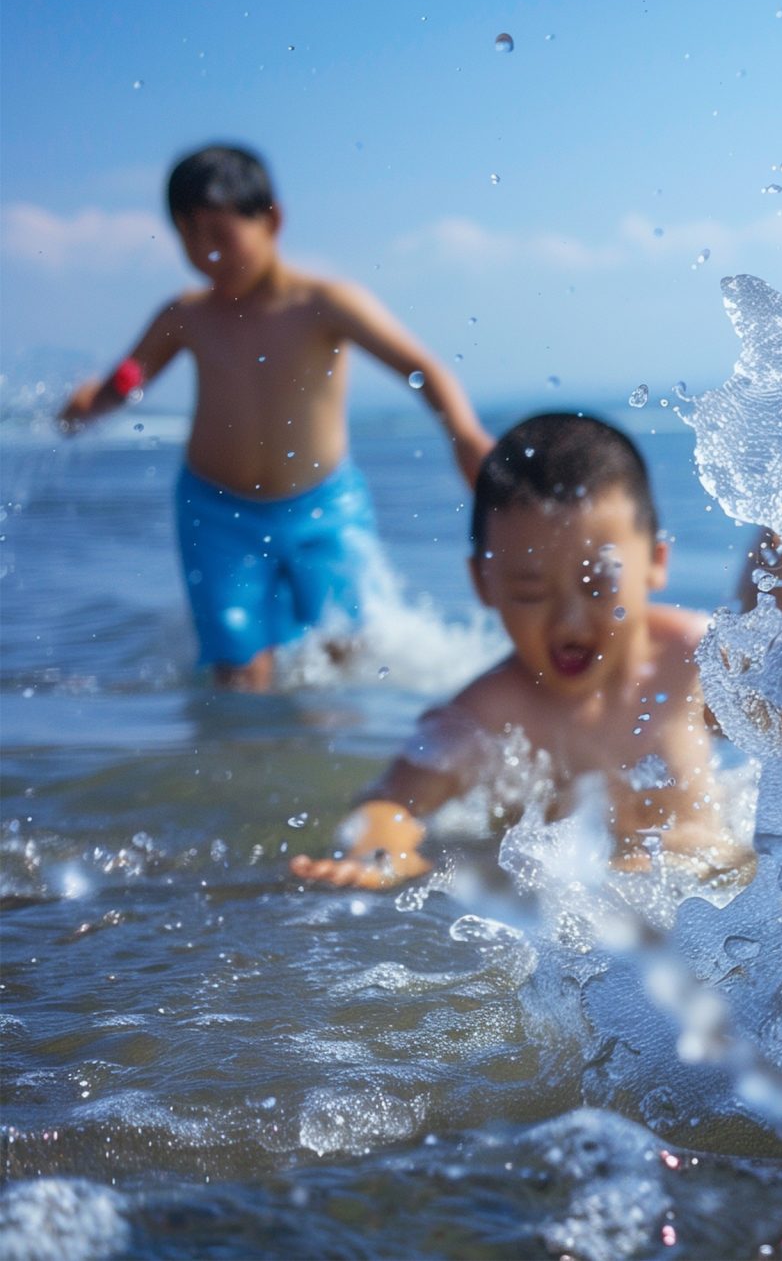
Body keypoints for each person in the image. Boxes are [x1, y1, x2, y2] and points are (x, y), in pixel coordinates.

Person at [55, 144, 493, 689]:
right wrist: (87, 405)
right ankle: (241, 768)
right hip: (216, 514)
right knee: (238, 670)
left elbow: (421, 367)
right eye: (190, 239)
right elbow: (126, 381)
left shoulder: (325, 304)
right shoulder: (186, 316)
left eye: (221, 237)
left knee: (346, 657)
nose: (206, 255)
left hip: (324, 506)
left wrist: (465, 434)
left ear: (272, 220)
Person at [290, 414, 738, 889]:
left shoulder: (696, 661)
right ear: (484, 583)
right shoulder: (488, 714)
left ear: (655, 563)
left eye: (598, 584)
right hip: (578, 923)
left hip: (713, 896)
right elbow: (391, 802)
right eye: (530, 592)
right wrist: (378, 855)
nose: (569, 620)